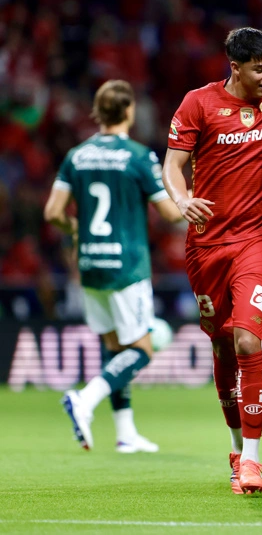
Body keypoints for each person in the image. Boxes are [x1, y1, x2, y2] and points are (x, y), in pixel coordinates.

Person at [161, 27, 262, 495]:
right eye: (259, 68)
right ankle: (234, 446)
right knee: (223, 347)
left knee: (248, 340)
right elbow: (172, 165)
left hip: (257, 239)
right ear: (235, 67)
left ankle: (251, 458)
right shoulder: (198, 103)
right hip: (206, 244)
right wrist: (183, 199)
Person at [44, 79, 183, 454]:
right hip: (127, 266)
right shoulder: (137, 156)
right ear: (129, 110)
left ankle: (125, 433)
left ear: (97, 112)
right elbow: (171, 214)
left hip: (90, 264)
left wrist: (75, 229)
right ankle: (85, 400)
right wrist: (194, 200)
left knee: (114, 347)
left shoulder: (76, 155)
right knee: (141, 350)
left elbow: (53, 212)